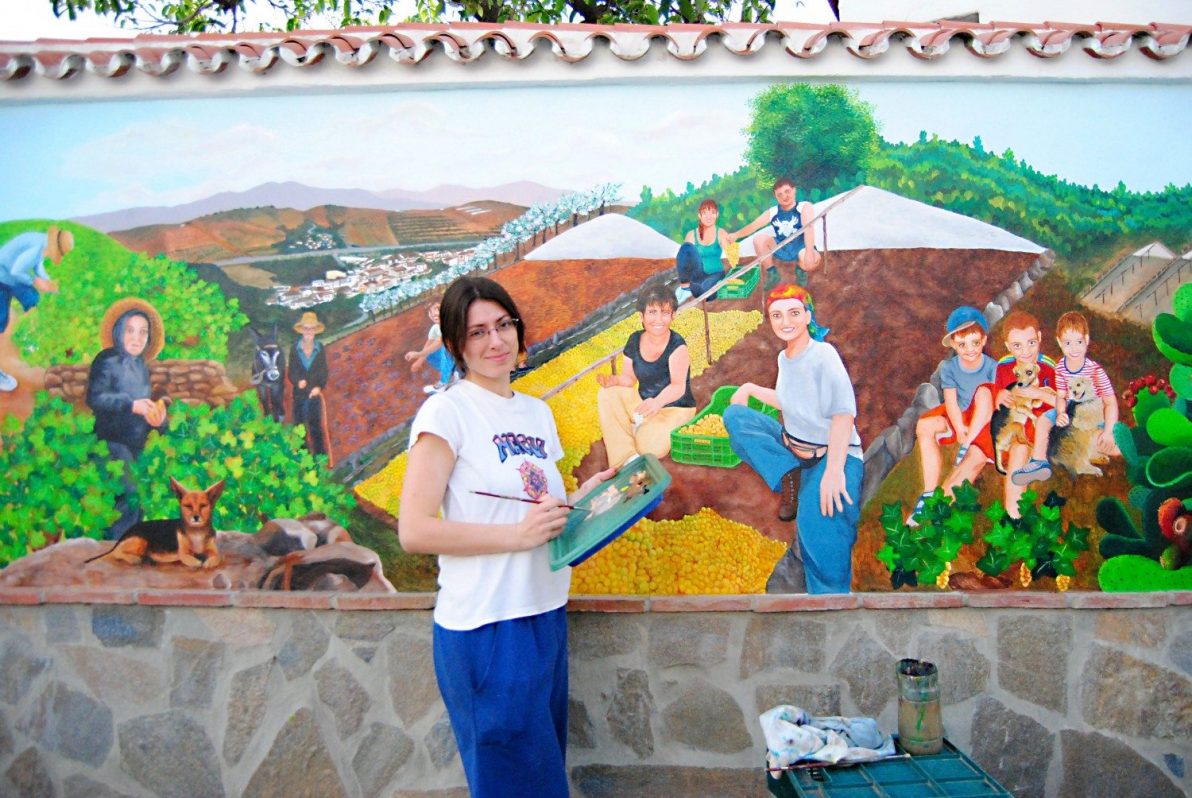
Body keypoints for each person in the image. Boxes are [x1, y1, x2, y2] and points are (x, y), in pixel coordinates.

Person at [399, 276, 612, 798]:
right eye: (476, 333)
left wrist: (589, 498)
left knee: (541, 780)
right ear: (454, 345)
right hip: (487, 628)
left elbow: (535, 506)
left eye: (503, 326)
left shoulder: (535, 412)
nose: (495, 342)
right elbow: (415, 530)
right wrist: (517, 538)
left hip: (543, 614)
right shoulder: (446, 412)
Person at [723, 284, 863, 594]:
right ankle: (789, 475)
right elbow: (792, 401)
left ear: (807, 315)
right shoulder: (784, 359)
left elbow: (843, 415)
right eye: (777, 315)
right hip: (793, 447)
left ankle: (830, 597)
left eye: (793, 313)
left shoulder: (823, 355)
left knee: (819, 523)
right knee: (735, 418)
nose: (785, 321)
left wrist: (834, 471)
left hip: (833, 453)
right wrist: (749, 388)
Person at [942, 310, 1056, 518]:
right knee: (976, 454)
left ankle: (1014, 515)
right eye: (1017, 346)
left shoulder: (1048, 367)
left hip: (1031, 426)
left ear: (1039, 338)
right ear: (1008, 346)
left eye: (1031, 342)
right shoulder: (1004, 365)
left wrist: (1037, 393)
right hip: (1005, 420)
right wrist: (1000, 394)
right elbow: (997, 394)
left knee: (1019, 451)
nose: (1025, 351)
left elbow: (1059, 401)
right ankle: (935, 510)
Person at [86, 298, 168, 540]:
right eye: (130, 330)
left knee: (143, 499)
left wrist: (159, 421)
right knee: (130, 495)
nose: (137, 337)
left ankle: (130, 548)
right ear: (118, 331)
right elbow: (96, 398)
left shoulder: (141, 366)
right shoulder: (106, 360)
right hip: (109, 442)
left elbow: (145, 408)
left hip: (135, 446)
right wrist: (131, 405)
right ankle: (113, 550)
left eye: (143, 332)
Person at [908, 306, 998, 525]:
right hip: (961, 414)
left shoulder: (992, 367)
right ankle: (929, 491)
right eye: (962, 345)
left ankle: (937, 510)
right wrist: (958, 426)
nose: (970, 350)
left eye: (975, 343)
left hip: (984, 419)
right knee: (925, 425)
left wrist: (967, 437)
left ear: (984, 340)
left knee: (985, 394)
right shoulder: (949, 368)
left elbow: (993, 403)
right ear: (954, 344)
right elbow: (950, 400)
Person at [1012, 310, 1120, 485]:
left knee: (1114, 446)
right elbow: (1061, 395)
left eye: (1078, 342)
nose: (1074, 348)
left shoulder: (1095, 371)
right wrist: (1061, 412)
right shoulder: (1061, 366)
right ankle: (1039, 463)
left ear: (1086, 340)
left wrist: (1108, 430)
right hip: (1070, 408)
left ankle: (1093, 451)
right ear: (1059, 342)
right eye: (1068, 343)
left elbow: (1110, 402)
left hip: (1092, 412)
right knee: (1043, 421)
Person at [596, 284, 697, 469]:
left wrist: (657, 402)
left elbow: (677, 386)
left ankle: (637, 434)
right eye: (652, 312)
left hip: (674, 410)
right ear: (641, 316)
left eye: (665, 313)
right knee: (606, 394)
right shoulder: (634, 340)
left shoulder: (678, 345)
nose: (658, 319)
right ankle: (625, 459)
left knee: (649, 446)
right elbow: (629, 379)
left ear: (673, 315)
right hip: (647, 408)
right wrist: (614, 381)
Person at [0, 226, 73, 392]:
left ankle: (28, 338)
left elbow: (37, 267)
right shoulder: (36, 247)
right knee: (0, 319)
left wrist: (48, 282)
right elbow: (16, 269)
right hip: (2, 276)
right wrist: (35, 281)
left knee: (33, 299)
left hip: (13, 277)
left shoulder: (42, 243)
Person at [730, 177, 821, 292]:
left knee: (813, 261)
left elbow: (809, 228)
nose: (784, 196)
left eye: (787, 191)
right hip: (782, 247)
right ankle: (772, 273)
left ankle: (801, 270)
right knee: (758, 239)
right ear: (776, 196)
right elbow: (754, 226)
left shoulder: (804, 206)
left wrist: (809, 253)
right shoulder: (773, 211)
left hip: (801, 247)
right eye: (780, 194)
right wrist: (736, 235)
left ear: (794, 190)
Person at [674, 199, 733, 304]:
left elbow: (732, 255)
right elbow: (685, 258)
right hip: (697, 274)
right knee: (686, 247)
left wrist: (730, 246)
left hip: (715, 274)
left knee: (704, 290)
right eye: (705, 213)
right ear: (699, 216)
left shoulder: (721, 233)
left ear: (717, 215)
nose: (709, 216)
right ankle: (685, 288)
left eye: (712, 213)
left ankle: (695, 289)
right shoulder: (692, 234)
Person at [289, 310, 330, 458]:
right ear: (302, 331)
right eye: (306, 328)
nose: (309, 332)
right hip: (299, 395)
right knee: (299, 426)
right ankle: (303, 457)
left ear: (315, 331)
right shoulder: (295, 349)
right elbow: (292, 371)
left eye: (312, 329)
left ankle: (319, 456)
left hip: (314, 394)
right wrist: (297, 380)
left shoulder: (320, 348)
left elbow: (323, 371)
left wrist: (319, 386)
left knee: (315, 425)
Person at [404, 299, 456, 394]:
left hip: (463, 355)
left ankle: (444, 382)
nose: (434, 313)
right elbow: (429, 344)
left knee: (446, 349)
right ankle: (450, 376)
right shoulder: (435, 328)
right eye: (430, 310)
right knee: (430, 354)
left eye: (437, 309)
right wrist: (419, 360)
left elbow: (440, 342)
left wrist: (419, 354)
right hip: (454, 357)